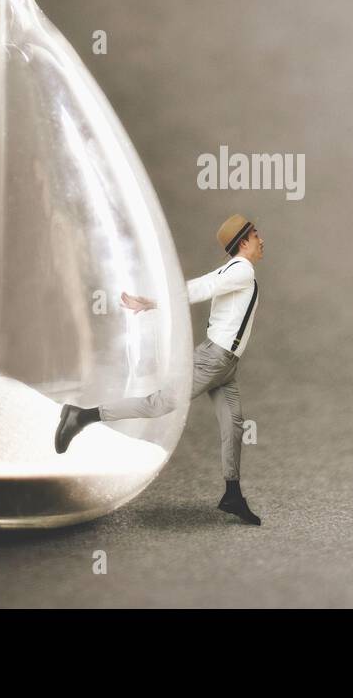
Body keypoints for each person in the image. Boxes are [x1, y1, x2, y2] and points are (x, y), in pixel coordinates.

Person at [56, 214, 265, 525]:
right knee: (160, 404)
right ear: (244, 241)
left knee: (234, 424)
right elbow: (203, 287)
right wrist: (155, 302)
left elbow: (208, 286)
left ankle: (232, 493)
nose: (262, 241)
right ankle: (81, 415)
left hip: (226, 365)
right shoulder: (242, 270)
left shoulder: (235, 270)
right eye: (256, 235)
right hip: (214, 360)